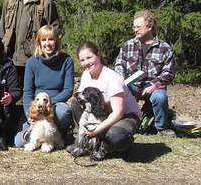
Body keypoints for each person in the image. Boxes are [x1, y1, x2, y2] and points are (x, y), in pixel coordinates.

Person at [69, 41, 141, 160]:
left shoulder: (112, 78)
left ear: (98, 55)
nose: (86, 63)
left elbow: (118, 113)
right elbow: (80, 98)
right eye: (82, 60)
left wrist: (97, 129)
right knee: (76, 102)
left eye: (89, 57)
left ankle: (108, 147)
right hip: (103, 113)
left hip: (125, 116)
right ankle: (82, 142)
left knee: (113, 136)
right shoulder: (86, 75)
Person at [0, 0, 62, 85]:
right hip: (10, 56)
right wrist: (0, 50)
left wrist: (49, 51)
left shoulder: (45, 0)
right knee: (12, 92)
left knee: (31, 92)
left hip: (35, 56)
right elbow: (1, 28)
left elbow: (55, 28)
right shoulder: (9, 0)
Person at [114, 9, 176, 137]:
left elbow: (169, 72)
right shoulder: (128, 45)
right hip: (131, 85)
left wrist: (154, 85)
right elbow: (119, 64)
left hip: (153, 87)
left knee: (160, 97)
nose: (135, 29)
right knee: (118, 93)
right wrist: (121, 81)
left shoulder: (165, 48)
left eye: (138, 27)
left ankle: (161, 128)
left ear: (149, 27)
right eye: (134, 27)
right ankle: (122, 122)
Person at [14, 25, 74, 148]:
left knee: (64, 112)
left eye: (51, 39)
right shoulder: (32, 62)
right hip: (37, 105)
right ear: (39, 43)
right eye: (44, 40)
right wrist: (29, 113)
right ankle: (41, 136)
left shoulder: (67, 60)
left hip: (56, 105)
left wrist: (50, 103)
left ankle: (59, 135)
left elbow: (68, 90)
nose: (48, 43)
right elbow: (28, 91)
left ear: (56, 41)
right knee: (19, 142)